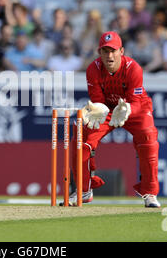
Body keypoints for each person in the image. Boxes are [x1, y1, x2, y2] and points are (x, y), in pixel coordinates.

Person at [66, 31, 161, 208]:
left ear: (122, 51)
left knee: (148, 138)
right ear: (99, 52)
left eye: (113, 51)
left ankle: (150, 193)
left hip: (135, 108)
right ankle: (83, 190)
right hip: (107, 110)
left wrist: (127, 111)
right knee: (81, 136)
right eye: (105, 51)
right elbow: (98, 101)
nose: (109, 56)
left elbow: (136, 101)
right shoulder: (92, 70)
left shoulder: (134, 68)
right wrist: (100, 111)